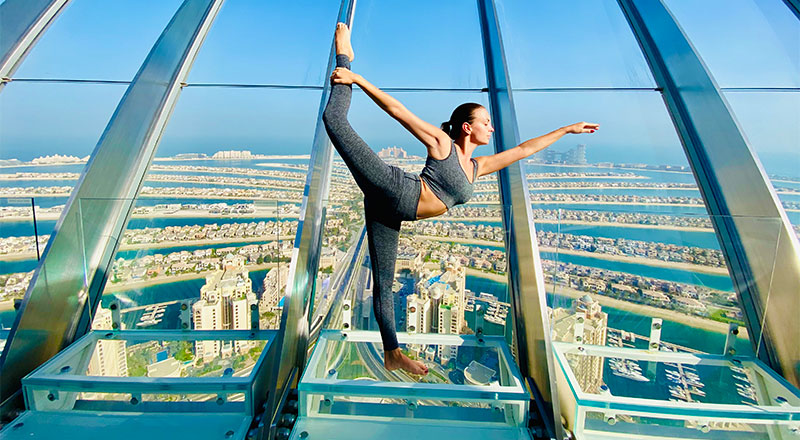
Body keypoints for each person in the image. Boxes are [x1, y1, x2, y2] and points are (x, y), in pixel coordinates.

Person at [322, 23, 599, 375]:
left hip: (392, 212)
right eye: (485, 121)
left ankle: (392, 353)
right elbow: (397, 110)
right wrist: (356, 78)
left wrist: (566, 130)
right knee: (334, 119)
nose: (491, 127)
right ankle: (345, 54)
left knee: (384, 284)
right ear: (467, 127)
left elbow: (525, 149)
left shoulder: (478, 166)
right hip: (396, 190)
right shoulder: (443, 145)